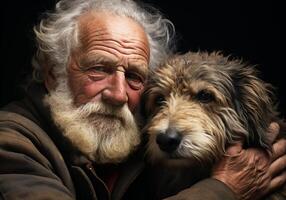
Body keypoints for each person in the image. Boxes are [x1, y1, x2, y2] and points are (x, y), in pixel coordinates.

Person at [0, 0, 285, 199]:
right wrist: (224, 189)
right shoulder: (11, 142)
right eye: (99, 69)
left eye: (135, 75)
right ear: (53, 74)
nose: (118, 94)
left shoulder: (134, 139)